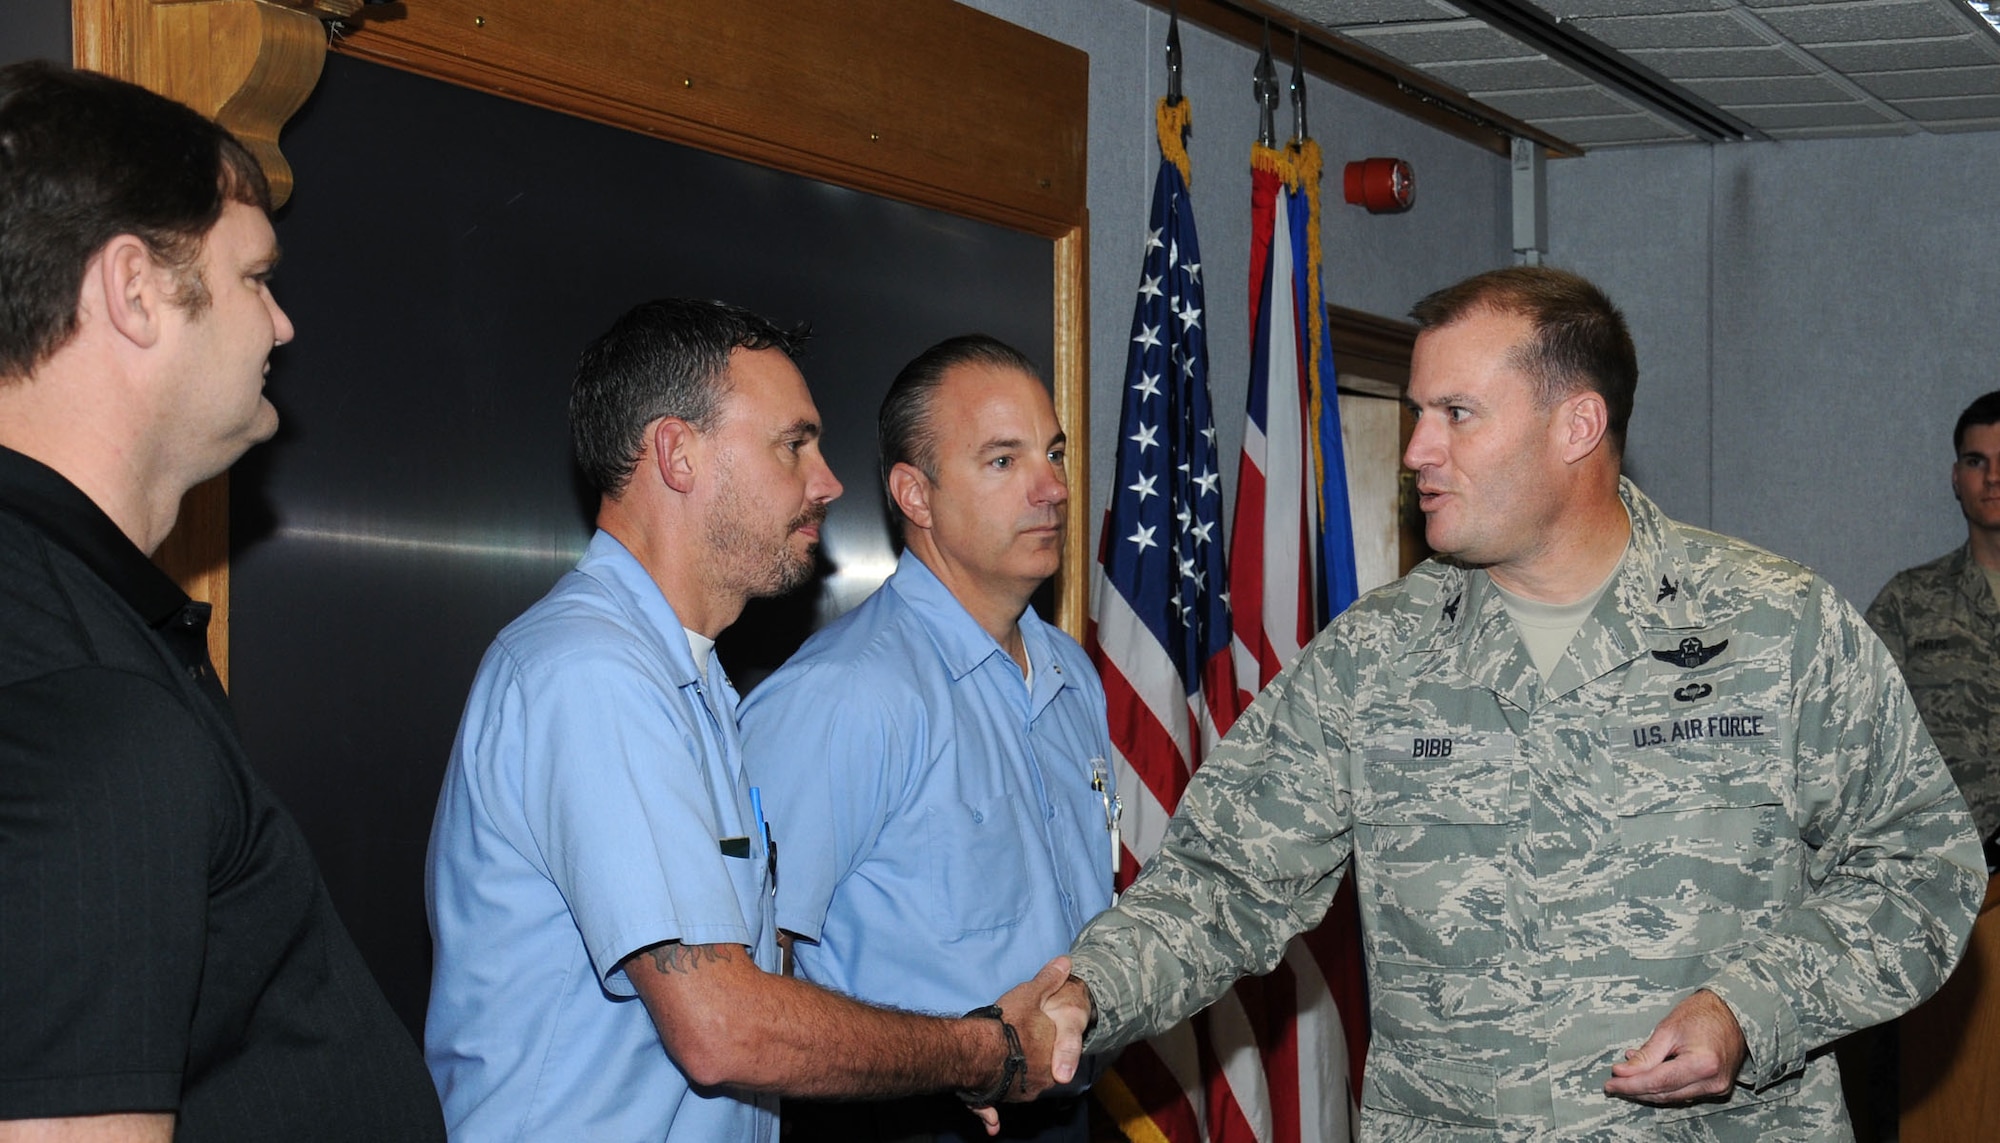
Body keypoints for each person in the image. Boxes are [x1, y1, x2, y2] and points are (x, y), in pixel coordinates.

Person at [1030, 266, 1984, 1140]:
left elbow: (1923, 867)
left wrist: (1751, 1008)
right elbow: (1223, 878)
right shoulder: (1376, 657)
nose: (1417, 449)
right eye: (1419, 413)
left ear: (1577, 427)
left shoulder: (1776, 626)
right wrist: (1086, 995)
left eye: (1457, 413)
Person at [424, 301, 1071, 1142]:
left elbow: (756, 989)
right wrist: (981, 1051)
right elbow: (722, 1026)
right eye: (793, 444)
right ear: (677, 454)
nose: (828, 481)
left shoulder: (687, 681)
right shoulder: (590, 672)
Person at [0, 62, 444, 1141]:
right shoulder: (86, 696)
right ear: (136, 291)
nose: (281, 327)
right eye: (254, 278)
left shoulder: (65, 616)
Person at [739, 336, 1113, 1142]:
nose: (1053, 487)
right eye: (1004, 460)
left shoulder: (1072, 674)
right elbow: (751, 985)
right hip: (905, 1122)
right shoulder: (843, 694)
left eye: (1053, 453)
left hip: (1066, 1110)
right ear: (916, 494)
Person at [1867, 390, 2000, 851]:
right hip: (1947, 865)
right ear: (1956, 478)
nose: (1993, 477)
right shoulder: (1908, 602)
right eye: (1976, 461)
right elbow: (1859, 732)